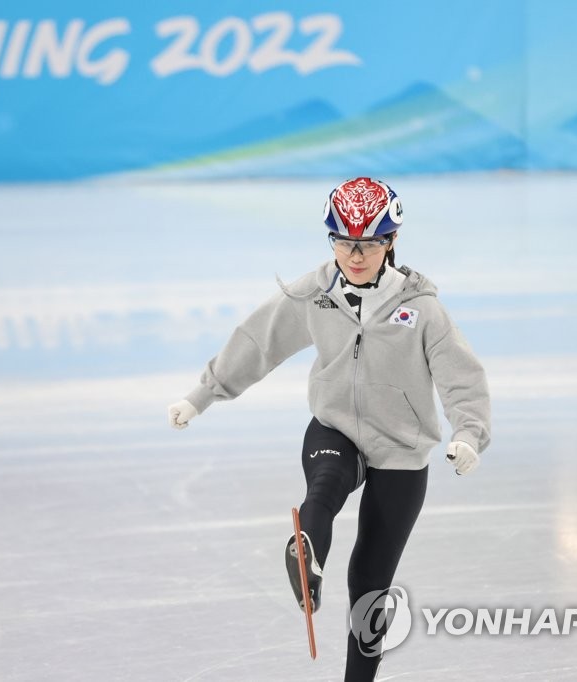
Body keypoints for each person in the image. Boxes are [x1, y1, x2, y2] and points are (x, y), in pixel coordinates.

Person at [167, 177, 491, 680]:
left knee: (369, 580)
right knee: (325, 486)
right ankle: (307, 554)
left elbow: (461, 377)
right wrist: (201, 395)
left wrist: (469, 434)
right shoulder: (313, 296)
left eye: (366, 244)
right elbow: (257, 342)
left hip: (402, 451)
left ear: (391, 242)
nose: (354, 255)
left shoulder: (421, 309)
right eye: (342, 242)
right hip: (334, 427)